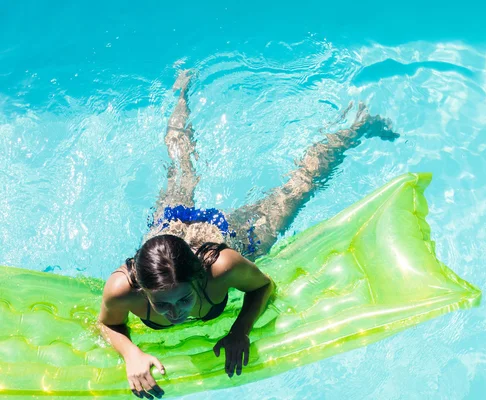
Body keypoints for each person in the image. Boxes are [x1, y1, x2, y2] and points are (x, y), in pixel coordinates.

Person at [97, 70, 399, 399]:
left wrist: (241, 330)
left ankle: (357, 123)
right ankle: (181, 92)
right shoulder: (122, 289)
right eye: (162, 305)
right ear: (142, 291)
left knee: (298, 188)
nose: (176, 314)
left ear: (199, 277)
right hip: (169, 227)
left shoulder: (222, 267)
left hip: (222, 234)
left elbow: (263, 286)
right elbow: (107, 323)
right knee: (181, 166)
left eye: (184, 299)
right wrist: (131, 354)